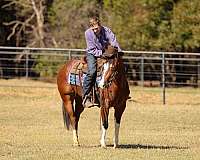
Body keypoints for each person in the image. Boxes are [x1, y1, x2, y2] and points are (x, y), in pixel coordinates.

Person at [82, 16, 122, 108]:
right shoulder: (88, 33)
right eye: (93, 29)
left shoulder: (107, 31)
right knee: (92, 71)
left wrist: (118, 51)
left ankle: (122, 93)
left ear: (100, 25)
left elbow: (114, 42)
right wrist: (103, 53)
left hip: (105, 52)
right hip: (92, 53)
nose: (95, 30)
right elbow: (92, 49)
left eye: (96, 28)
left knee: (118, 66)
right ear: (90, 27)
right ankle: (86, 97)